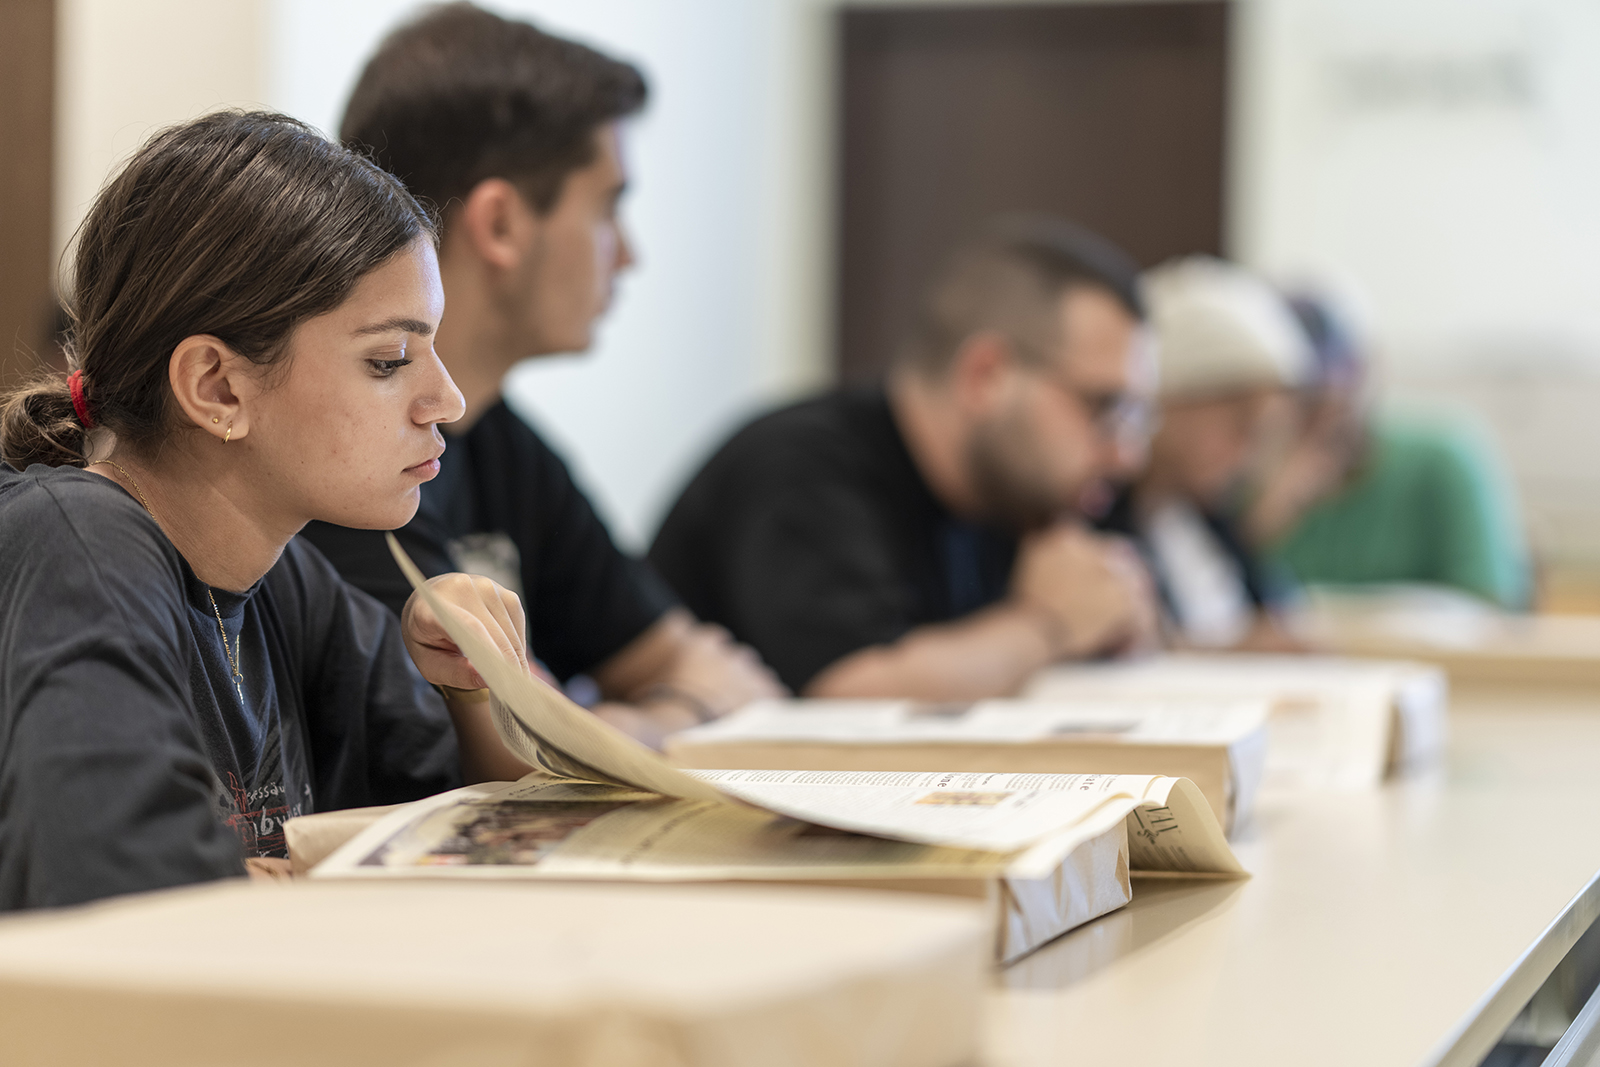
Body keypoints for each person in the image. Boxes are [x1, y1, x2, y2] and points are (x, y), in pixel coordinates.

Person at [0, 111, 538, 912]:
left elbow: (488, 834)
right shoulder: (77, 541)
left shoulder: (286, 578)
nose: (447, 400)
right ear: (218, 388)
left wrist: (474, 687)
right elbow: (127, 895)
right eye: (388, 360)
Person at [299, 3, 780, 748]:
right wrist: (674, 714)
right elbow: (532, 753)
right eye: (608, 208)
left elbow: (703, 664)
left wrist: (624, 718)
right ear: (501, 225)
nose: (628, 254)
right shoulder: (338, 455)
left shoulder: (501, 442)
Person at [649, 218, 1161, 700]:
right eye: (1104, 408)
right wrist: (1051, 625)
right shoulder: (801, 467)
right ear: (986, 376)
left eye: (1136, 419)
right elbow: (855, 690)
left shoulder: (1012, 494)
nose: (1126, 455)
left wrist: (1113, 621)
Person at [1243, 290, 1532, 608]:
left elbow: (1491, 601)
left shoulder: (1442, 458)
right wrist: (1268, 515)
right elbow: (1223, 606)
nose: (1321, 411)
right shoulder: (1240, 476)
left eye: (1334, 392)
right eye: (1303, 397)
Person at [1097, 256, 1312, 650]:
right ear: (1167, 399)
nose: (1248, 456)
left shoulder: (1209, 517)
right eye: (1238, 427)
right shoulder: (1096, 520)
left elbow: (1277, 616)